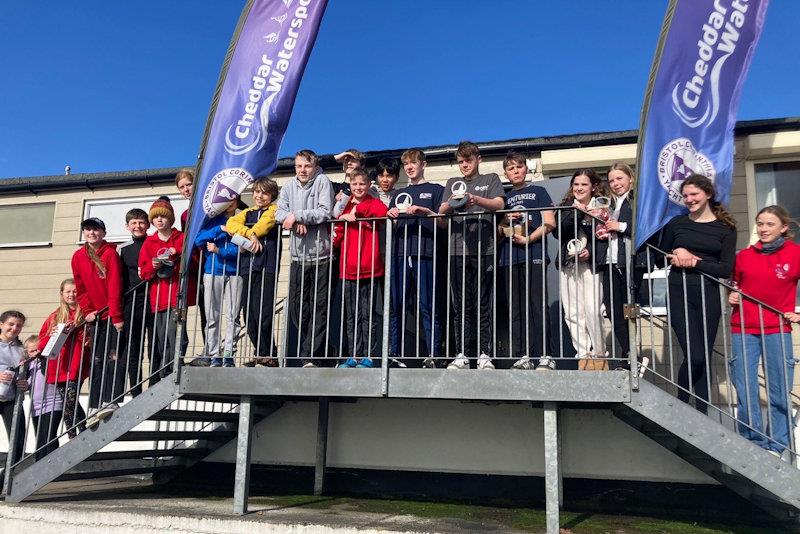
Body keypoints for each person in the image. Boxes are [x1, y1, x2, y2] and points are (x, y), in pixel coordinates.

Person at [660, 174, 736, 414]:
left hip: (709, 293)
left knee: (702, 356)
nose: (689, 199)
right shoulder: (677, 224)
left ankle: (701, 413)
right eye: (685, 196)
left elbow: (725, 269)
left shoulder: (725, 229)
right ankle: (682, 406)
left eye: (694, 194)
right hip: (679, 290)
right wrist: (676, 250)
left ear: (708, 194)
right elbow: (658, 255)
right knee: (694, 355)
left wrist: (694, 261)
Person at [728, 205, 799, 456]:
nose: (763, 229)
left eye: (769, 224)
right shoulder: (744, 256)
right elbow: (735, 286)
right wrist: (732, 296)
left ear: (783, 228)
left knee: (779, 389)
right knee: (746, 388)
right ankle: (753, 442)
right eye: (760, 223)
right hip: (743, 328)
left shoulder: (795, 254)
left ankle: (777, 445)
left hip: (777, 329)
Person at [439, 141, 505, 370]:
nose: (464, 165)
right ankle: (462, 354)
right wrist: (450, 204)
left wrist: (475, 200)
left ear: (479, 159)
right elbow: (441, 214)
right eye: (460, 161)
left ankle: (484, 354)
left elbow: (499, 203)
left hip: (485, 250)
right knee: (462, 306)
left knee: (483, 303)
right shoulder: (451, 183)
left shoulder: (491, 179)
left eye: (468, 160)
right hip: (457, 251)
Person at [275, 150, 334, 367]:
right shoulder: (289, 186)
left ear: (314, 166)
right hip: (298, 257)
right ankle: (321, 347)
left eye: (306, 166)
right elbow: (279, 213)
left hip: (321, 255)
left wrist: (298, 216)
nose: (302, 170)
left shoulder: (322, 181)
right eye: (299, 166)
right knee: (298, 309)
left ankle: (311, 355)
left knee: (319, 306)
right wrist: (291, 218)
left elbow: (324, 212)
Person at [497, 152, 555, 370]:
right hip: (509, 258)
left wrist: (529, 238)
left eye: (519, 167)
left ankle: (545, 356)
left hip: (535, 254)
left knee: (537, 305)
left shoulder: (538, 191)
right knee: (516, 308)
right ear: (506, 173)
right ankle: (523, 355)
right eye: (510, 168)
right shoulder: (504, 198)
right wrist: (505, 221)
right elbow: (498, 231)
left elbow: (549, 222)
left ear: (526, 169)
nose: (515, 171)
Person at [387, 148, 444, 368]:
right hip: (400, 254)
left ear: (423, 164)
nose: (410, 167)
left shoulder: (436, 190)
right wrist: (390, 216)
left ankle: (433, 355)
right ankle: (395, 354)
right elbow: (391, 225)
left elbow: (443, 223)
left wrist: (425, 212)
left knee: (427, 305)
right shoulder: (397, 194)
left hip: (425, 253)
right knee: (397, 305)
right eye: (406, 164)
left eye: (413, 163)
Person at [71, 217, 124, 427]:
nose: (92, 233)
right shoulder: (78, 256)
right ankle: (94, 404)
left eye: (96, 230)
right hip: (96, 316)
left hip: (112, 314)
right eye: (88, 230)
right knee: (97, 360)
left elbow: (115, 285)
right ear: (84, 233)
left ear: (103, 233)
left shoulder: (109, 253)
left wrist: (116, 315)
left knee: (113, 357)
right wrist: (87, 311)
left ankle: (110, 399)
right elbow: (80, 287)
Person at [333, 169, 388, 367]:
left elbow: (382, 214)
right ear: (350, 185)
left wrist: (357, 212)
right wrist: (342, 219)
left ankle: (368, 356)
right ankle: (354, 355)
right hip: (348, 269)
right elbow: (336, 235)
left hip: (371, 268)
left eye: (362, 184)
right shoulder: (344, 205)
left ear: (368, 186)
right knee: (352, 315)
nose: (358, 188)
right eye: (354, 184)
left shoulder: (373, 202)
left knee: (368, 314)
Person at [555, 170, 607, 369]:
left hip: (591, 265)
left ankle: (600, 353)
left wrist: (590, 252)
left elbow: (605, 237)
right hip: (569, 264)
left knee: (593, 310)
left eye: (584, 184)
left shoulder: (602, 206)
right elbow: (560, 233)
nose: (579, 188)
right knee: (572, 312)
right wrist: (576, 211)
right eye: (576, 184)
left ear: (593, 186)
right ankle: (583, 354)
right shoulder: (567, 207)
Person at [226, 177, 281, 367]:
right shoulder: (247, 212)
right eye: (257, 192)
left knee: (263, 313)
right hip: (247, 268)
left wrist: (253, 232)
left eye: (264, 193)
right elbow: (231, 224)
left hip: (267, 266)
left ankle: (268, 355)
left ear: (272, 195)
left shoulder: (274, 210)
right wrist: (249, 234)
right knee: (249, 315)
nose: (259, 196)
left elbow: (265, 224)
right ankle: (261, 353)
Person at [139, 197, 188, 380]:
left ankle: (175, 365)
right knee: (160, 336)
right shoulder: (149, 243)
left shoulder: (181, 238)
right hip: (157, 298)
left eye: (163, 216)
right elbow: (143, 273)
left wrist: (179, 252)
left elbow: (193, 260)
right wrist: (153, 266)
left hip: (177, 295)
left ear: (171, 219)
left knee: (175, 332)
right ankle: (165, 369)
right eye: (156, 217)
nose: (159, 220)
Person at [195, 197, 246, 367]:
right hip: (212, 272)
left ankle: (229, 354)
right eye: (227, 199)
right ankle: (214, 354)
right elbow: (198, 240)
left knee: (233, 316)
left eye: (234, 200)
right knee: (212, 315)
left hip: (235, 273)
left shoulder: (242, 220)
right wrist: (220, 229)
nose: (230, 203)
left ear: (238, 202)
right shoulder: (211, 221)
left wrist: (220, 251)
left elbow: (243, 249)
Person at [38, 279, 88, 439]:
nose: (71, 294)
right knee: (70, 401)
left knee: (70, 401)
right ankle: (83, 432)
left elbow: (89, 338)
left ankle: (73, 436)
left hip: (75, 364)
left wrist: (82, 332)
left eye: (74, 291)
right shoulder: (55, 316)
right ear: (62, 294)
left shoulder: (85, 313)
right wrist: (53, 333)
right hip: (57, 366)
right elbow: (42, 343)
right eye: (68, 291)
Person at [596, 163, 635, 369]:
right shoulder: (609, 203)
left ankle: (631, 357)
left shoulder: (636, 199)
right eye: (611, 180)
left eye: (619, 178)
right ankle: (629, 355)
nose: (615, 183)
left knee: (629, 311)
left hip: (627, 263)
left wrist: (620, 226)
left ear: (630, 178)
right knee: (612, 311)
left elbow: (644, 226)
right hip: (609, 262)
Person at [118, 209, 153, 396]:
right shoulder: (122, 249)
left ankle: (154, 385)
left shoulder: (154, 243)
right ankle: (136, 389)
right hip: (131, 303)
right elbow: (118, 279)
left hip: (153, 300)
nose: (138, 226)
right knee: (133, 348)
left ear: (147, 225)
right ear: (127, 226)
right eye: (134, 223)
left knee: (154, 345)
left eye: (141, 222)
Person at [23, 335, 63, 459]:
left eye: (38, 349)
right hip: (36, 406)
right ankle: (39, 464)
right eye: (32, 351)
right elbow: (27, 384)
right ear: (27, 353)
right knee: (40, 436)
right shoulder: (28, 366)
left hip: (54, 402)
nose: (36, 353)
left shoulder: (50, 360)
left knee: (49, 434)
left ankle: (52, 464)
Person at [0, 310, 30, 463]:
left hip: (11, 400)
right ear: (1, 324)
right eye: (10, 324)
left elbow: (26, 376)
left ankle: (4, 480)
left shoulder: (21, 350)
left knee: (18, 442)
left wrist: (25, 384)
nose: (14, 328)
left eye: (18, 326)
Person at [332, 149, 365, 217]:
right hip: (337, 226)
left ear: (362, 166)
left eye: (353, 161)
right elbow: (314, 168)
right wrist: (337, 157)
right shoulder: (334, 187)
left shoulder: (365, 188)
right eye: (346, 161)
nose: (349, 163)